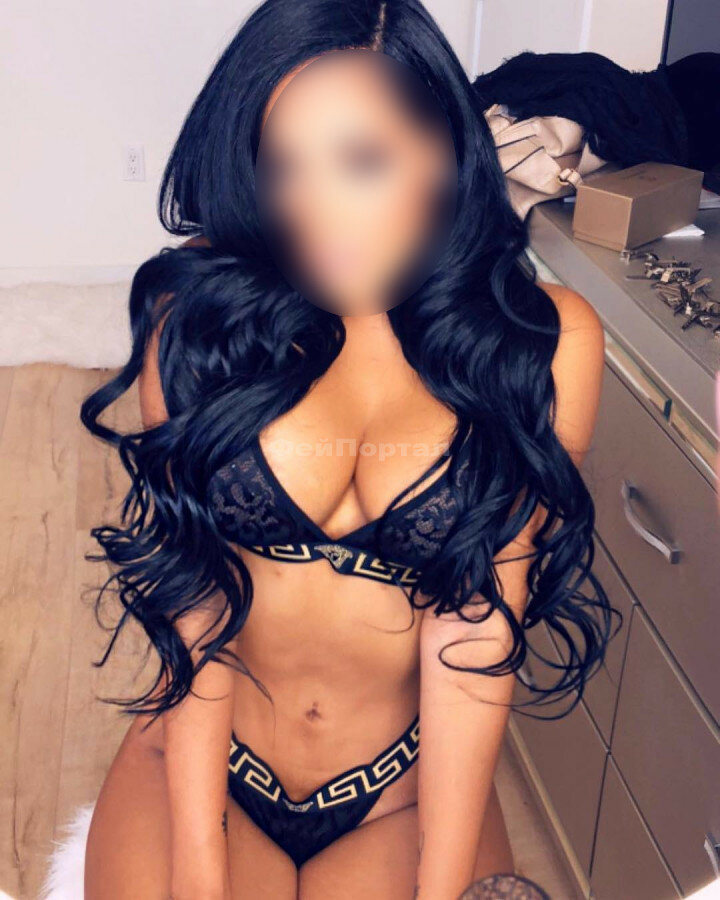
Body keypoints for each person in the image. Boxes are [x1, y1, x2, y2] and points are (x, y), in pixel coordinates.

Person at [80, 1, 616, 897]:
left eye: (363, 161)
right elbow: (200, 604)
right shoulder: (204, 318)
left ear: (445, 152)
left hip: (397, 792)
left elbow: (475, 628)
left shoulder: (542, 344)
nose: (316, 215)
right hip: (205, 765)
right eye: (283, 167)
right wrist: (201, 875)